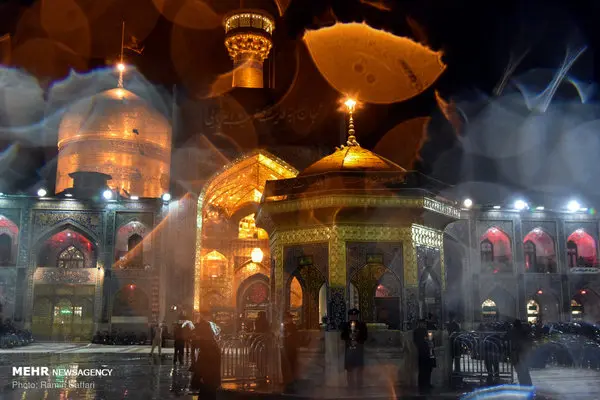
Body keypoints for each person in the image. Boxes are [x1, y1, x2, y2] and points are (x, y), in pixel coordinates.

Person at [190, 320, 221, 399]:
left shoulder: (207, 347)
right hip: (210, 381)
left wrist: (197, 379)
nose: (196, 336)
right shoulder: (211, 344)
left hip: (207, 381)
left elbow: (202, 365)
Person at [340, 308, 368, 389]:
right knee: (349, 368)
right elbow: (342, 336)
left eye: (355, 315)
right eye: (352, 315)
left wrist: (357, 341)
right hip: (349, 349)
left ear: (357, 316)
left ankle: (359, 385)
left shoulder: (362, 325)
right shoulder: (346, 325)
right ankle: (350, 385)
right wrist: (349, 338)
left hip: (359, 349)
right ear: (349, 316)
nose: (353, 317)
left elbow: (365, 336)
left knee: (359, 368)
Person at [413, 319, 435, 393]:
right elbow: (418, 341)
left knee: (428, 368)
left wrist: (429, 340)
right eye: (422, 323)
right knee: (423, 369)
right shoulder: (417, 331)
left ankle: (427, 383)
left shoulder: (425, 331)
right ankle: (422, 384)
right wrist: (427, 341)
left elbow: (430, 339)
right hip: (422, 352)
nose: (424, 325)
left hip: (427, 351)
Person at [508, 319, 533, 386]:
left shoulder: (512, 331)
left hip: (516, 353)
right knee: (525, 370)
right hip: (524, 352)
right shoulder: (525, 330)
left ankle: (522, 383)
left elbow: (506, 338)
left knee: (519, 370)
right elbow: (529, 340)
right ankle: (528, 383)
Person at [281, 312, 300, 393]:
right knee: (289, 364)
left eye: (288, 318)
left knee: (290, 364)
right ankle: (290, 380)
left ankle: (290, 381)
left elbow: (288, 335)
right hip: (288, 348)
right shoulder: (288, 326)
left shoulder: (291, 326)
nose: (287, 319)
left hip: (290, 348)